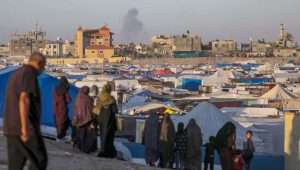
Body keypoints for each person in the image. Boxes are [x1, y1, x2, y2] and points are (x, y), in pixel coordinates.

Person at [3, 52, 48, 170]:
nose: (43, 70)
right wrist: (25, 129)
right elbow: (24, 100)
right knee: (39, 159)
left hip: (11, 127)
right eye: (43, 66)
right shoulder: (29, 73)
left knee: (16, 165)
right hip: (24, 128)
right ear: (39, 63)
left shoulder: (17, 73)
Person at [94, 84, 118, 158]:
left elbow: (96, 110)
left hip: (101, 119)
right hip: (110, 120)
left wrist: (96, 120)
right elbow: (115, 110)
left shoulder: (99, 98)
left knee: (103, 135)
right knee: (109, 137)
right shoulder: (112, 99)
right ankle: (108, 152)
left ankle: (103, 150)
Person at [72, 86, 97, 153]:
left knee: (80, 133)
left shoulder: (78, 98)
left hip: (79, 118)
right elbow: (91, 108)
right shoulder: (88, 98)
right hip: (87, 119)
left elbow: (75, 108)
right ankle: (85, 148)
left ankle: (78, 145)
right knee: (86, 134)